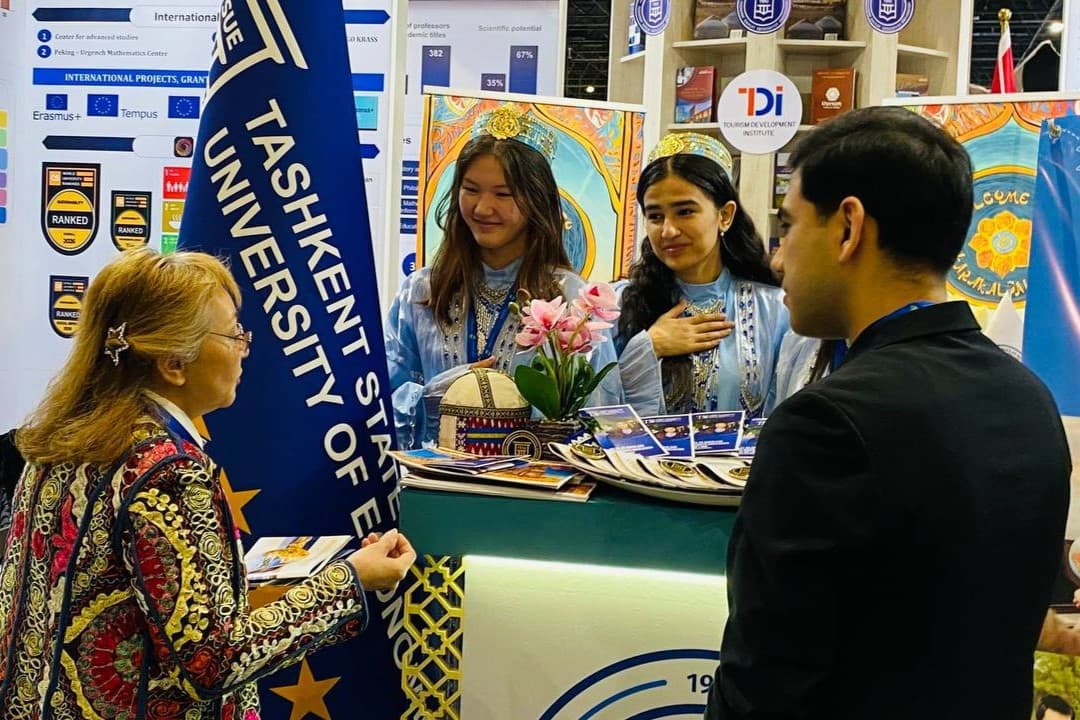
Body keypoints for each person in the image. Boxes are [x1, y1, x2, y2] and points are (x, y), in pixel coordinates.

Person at [705, 106, 1071, 718]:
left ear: (848, 227)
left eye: (789, 226)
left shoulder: (826, 423)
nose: (777, 257)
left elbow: (767, 683)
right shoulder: (1027, 396)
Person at [0, 248, 416, 719]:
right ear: (175, 363)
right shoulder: (167, 469)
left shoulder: (56, 440)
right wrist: (351, 581)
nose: (245, 347)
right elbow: (213, 661)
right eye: (234, 332)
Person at [385, 105, 620, 448]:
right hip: (432, 488)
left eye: (503, 194)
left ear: (537, 201)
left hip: (534, 493)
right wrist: (438, 395)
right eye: (471, 189)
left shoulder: (572, 300)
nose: (482, 208)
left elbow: (602, 418)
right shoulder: (422, 291)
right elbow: (379, 402)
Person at [616, 132, 788, 418]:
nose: (668, 231)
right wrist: (648, 347)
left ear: (725, 216)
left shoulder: (775, 309)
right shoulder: (619, 305)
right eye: (655, 216)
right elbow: (596, 412)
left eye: (685, 211)